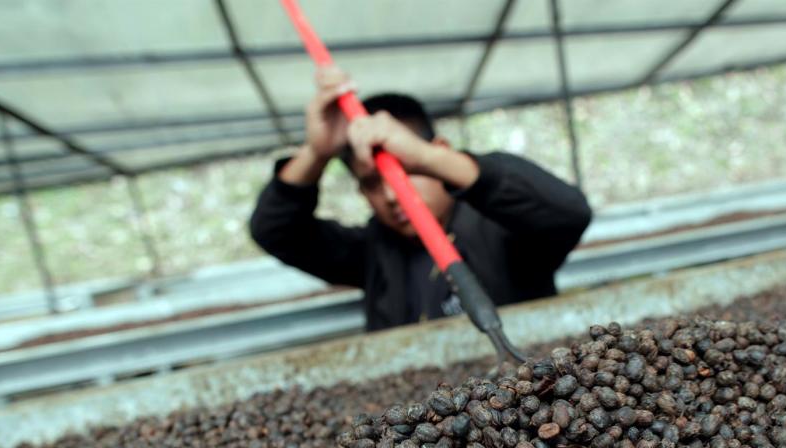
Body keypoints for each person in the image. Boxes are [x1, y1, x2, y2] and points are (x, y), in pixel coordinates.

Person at [249, 68, 592, 332]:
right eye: (371, 183)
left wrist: (428, 159)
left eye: (405, 170)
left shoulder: (505, 229)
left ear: (436, 151)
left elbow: (568, 213)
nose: (390, 194)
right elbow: (276, 230)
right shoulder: (369, 251)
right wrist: (315, 153)